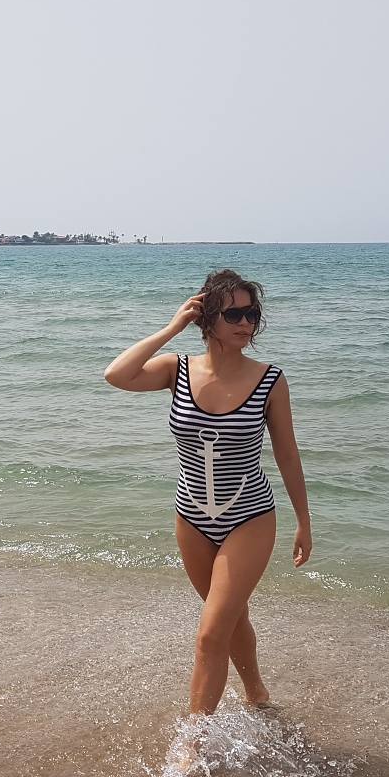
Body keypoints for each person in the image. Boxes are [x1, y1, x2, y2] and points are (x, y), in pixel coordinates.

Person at [104, 268, 312, 728]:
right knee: (230, 620)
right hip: (192, 519)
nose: (246, 323)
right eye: (234, 314)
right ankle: (257, 693)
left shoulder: (270, 380)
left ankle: (192, 741)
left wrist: (304, 520)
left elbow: (287, 454)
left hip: (250, 517)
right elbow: (116, 375)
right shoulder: (175, 370)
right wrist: (172, 326)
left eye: (252, 314)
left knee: (210, 633)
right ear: (207, 317)